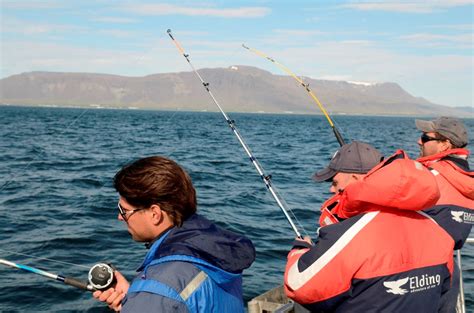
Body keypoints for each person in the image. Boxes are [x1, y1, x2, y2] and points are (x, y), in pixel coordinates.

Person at [284, 141, 455, 312]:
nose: (331, 189)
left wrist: (300, 250)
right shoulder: (437, 230)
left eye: (334, 182)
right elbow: (444, 290)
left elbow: (297, 285)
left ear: (356, 179)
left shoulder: (353, 234)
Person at [93, 156, 256, 312]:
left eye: (124, 210)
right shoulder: (218, 255)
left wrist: (145, 298)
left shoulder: (158, 291)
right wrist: (135, 301)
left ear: (155, 214)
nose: (120, 217)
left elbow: (168, 296)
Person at [415, 116, 473, 312]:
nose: (418, 141)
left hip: (417, 274)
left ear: (444, 145)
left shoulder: (430, 178)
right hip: (448, 271)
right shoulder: (466, 181)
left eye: (425, 138)